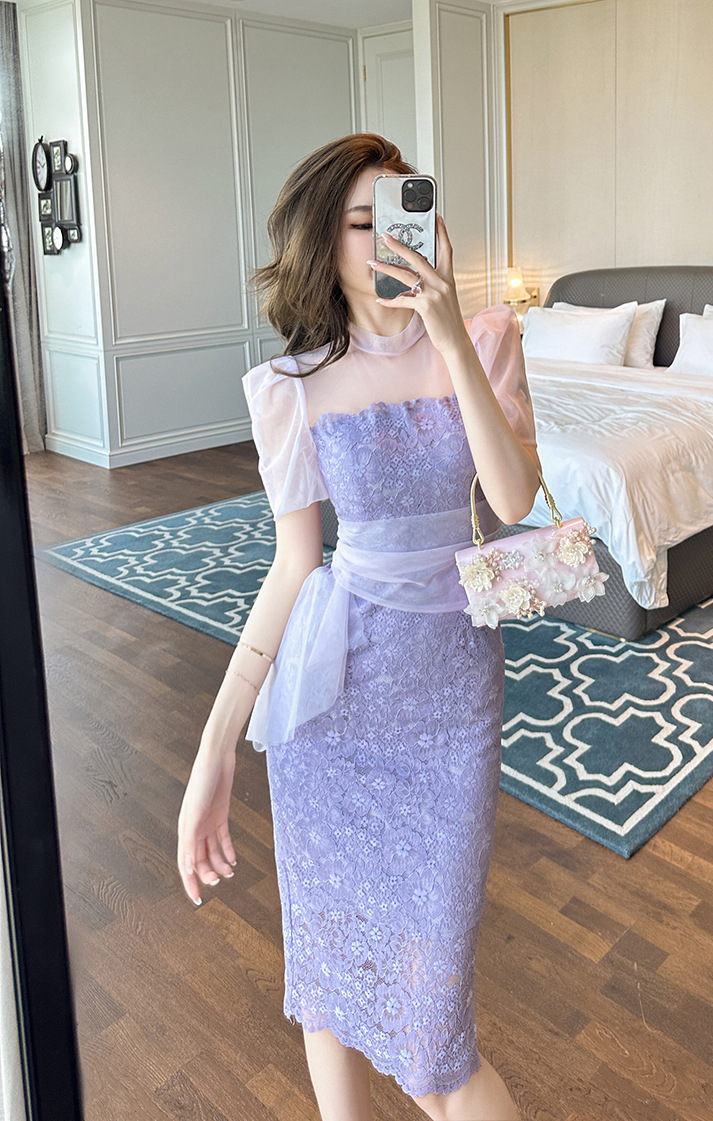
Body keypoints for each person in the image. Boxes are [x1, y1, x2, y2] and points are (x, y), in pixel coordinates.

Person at [177, 133, 541, 1121]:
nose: (389, 238)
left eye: (403, 213)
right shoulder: (291, 388)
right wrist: (215, 750)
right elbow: (294, 566)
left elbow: (512, 499)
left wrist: (448, 334)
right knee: (327, 973)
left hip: (451, 707)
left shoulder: (487, 340)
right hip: (331, 712)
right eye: (361, 221)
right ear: (321, 245)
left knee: (436, 1046)